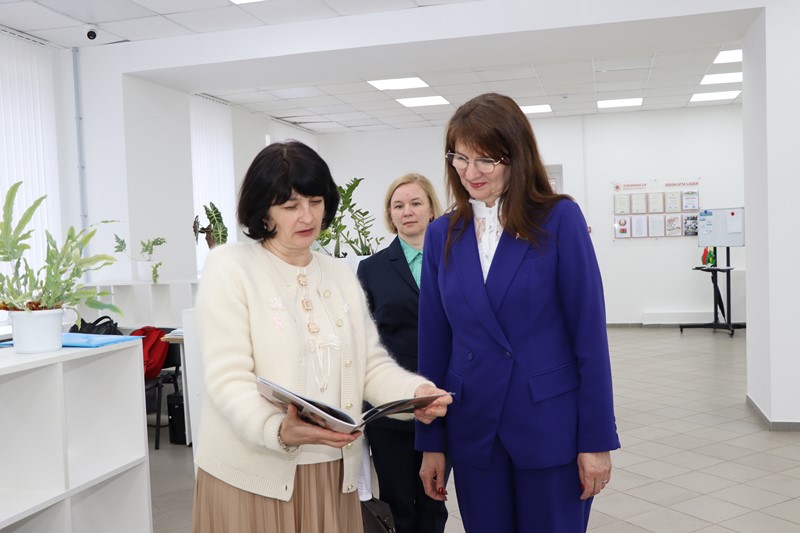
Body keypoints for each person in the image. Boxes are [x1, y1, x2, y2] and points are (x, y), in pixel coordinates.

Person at [191, 140, 452, 533]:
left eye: (315, 201)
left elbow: (371, 364)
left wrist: (415, 392)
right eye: (290, 205)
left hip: (331, 471)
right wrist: (276, 429)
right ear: (263, 210)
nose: (307, 216)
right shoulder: (230, 267)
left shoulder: (339, 274)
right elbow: (228, 378)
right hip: (253, 475)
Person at [415, 93, 620, 533]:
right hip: (474, 428)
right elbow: (433, 344)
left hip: (548, 426)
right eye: (460, 158)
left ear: (516, 156)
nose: (470, 172)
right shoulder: (441, 234)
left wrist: (596, 440)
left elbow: (589, 338)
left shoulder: (559, 219)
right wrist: (431, 443)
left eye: (485, 160)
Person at [357, 173, 448, 533]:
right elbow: (364, 339)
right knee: (397, 503)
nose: (407, 211)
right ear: (390, 214)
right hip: (391, 405)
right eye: (398, 206)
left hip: (441, 401)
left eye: (415, 203)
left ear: (431, 209)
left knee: (434, 500)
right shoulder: (372, 269)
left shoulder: (454, 261)